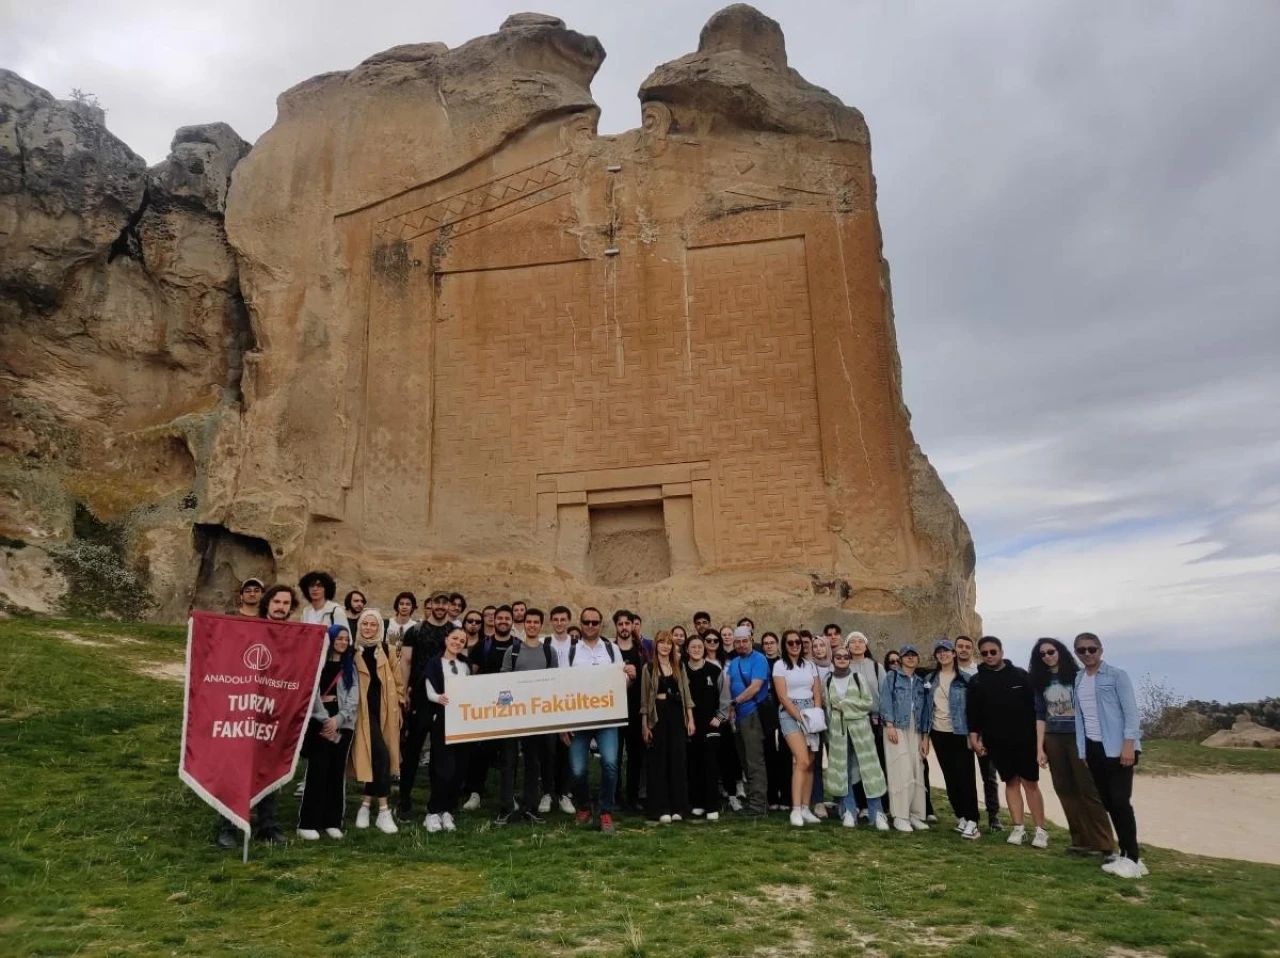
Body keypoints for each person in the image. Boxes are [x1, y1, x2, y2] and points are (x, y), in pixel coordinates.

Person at [214, 584, 296, 848]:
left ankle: (267, 824)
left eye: (286, 603)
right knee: (236, 768)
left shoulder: (296, 636)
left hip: (275, 712)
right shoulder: (249, 629)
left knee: (269, 767)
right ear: (267, 603)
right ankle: (229, 826)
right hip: (245, 708)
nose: (281, 606)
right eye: (276, 601)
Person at [1030, 638, 1115, 857]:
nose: (1048, 656)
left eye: (1051, 651)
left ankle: (1105, 843)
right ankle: (1081, 841)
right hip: (1053, 738)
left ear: (1060, 652)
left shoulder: (1077, 677)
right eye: (1043, 654)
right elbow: (1040, 715)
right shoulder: (1040, 681)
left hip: (1078, 737)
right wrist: (1040, 748)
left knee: (1088, 789)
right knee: (1065, 790)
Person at [1073, 633, 1146, 878]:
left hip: (1117, 747)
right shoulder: (1079, 678)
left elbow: (1131, 713)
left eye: (1091, 649)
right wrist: (1084, 751)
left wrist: (1129, 745)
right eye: (1081, 650)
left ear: (1100, 650)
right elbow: (1081, 719)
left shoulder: (1117, 676)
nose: (1087, 654)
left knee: (1120, 801)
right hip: (1094, 748)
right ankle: (1125, 853)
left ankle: (1133, 857)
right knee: (1108, 802)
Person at [966, 636, 1048, 849]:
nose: (989, 656)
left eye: (993, 652)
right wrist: (974, 738)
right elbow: (974, 714)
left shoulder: (1021, 676)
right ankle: (1018, 827)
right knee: (1010, 783)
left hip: (1025, 740)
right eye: (984, 653)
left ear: (1001, 651)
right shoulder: (977, 681)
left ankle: (1040, 830)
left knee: (1030, 783)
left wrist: (1041, 743)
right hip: (997, 741)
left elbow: (1038, 709)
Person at [564, 607, 625, 834]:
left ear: (601, 625)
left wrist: (629, 677)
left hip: (607, 718)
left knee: (610, 764)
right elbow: (562, 686)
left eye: (595, 622)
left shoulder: (612, 649)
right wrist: (563, 724)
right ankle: (584, 807)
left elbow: (622, 683)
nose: (590, 626)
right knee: (578, 769)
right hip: (578, 720)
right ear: (581, 624)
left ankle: (606, 811)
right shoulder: (571, 652)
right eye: (587, 622)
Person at [495, 609, 558, 826]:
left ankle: (530, 807)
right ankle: (505, 808)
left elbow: (554, 682)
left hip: (537, 716)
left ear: (541, 625)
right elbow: (503, 681)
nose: (531, 625)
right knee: (509, 762)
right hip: (514, 715)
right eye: (528, 622)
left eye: (535, 622)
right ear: (524, 625)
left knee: (533, 762)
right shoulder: (512, 650)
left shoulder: (549, 652)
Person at [297, 623, 359, 840]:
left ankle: (332, 820)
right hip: (319, 721)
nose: (342, 642)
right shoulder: (318, 665)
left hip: (342, 722)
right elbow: (311, 692)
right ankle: (308, 822)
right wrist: (325, 719)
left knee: (336, 771)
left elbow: (353, 698)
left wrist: (339, 718)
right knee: (318, 771)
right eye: (338, 638)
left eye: (345, 639)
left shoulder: (350, 667)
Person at [397, 592, 454, 818]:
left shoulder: (454, 632)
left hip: (446, 699)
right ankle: (404, 800)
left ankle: (437, 803)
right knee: (412, 751)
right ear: (429, 605)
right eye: (436, 602)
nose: (440, 606)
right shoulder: (415, 631)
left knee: (441, 754)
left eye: (444, 602)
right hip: (420, 698)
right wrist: (404, 692)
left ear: (449, 605)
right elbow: (406, 662)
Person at [824, 643, 889, 830]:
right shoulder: (828, 680)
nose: (843, 659)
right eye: (839, 657)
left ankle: (877, 812)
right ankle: (849, 811)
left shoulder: (857, 677)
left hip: (861, 731)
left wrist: (846, 704)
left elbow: (868, 703)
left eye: (846, 656)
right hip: (839, 731)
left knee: (869, 769)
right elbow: (829, 708)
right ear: (833, 659)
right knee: (843, 770)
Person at [351, 609, 400, 834]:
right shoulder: (352, 652)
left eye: (372, 625)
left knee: (378, 757)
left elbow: (398, 682)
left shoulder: (387, 650)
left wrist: (399, 706)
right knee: (380, 754)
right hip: (362, 712)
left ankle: (365, 805)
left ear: (379, 627)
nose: (368, 628)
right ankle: (384, 811)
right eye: (364, 624)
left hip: (384, 711)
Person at [926, 639, 980, 840]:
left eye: (946, 651)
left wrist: (973, 734)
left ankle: (973, 820)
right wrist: (926, 736)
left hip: (960, 733)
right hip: (939, 733)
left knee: (965, 776)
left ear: (954, 654)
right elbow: (927, 708)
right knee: (950, 776)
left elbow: (973, 710)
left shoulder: (965, 679)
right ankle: (961, 816)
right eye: (939, 652)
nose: (943, 654)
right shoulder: (931, 679)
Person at [641, 630, 694, 823]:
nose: (665, 646)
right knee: (659, 762)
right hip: (658, 716)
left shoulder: (679, 665)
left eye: (669, 643)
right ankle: (660, 807)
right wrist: (645, 725)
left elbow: (687, 694)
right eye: (662, 642)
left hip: (677, 715)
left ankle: (679, 807)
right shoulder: (649, 667)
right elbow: (645, 700)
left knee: (677, 761)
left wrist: (690, 719)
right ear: (656, 645)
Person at [773, 630, 824, 827]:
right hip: (790, 712)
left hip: (811, 711)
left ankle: (805, 807)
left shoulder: (810, 665)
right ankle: (795, 809)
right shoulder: (780, 665)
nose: (795, 645)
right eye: (790, 642)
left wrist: (816, 712)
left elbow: (816, 691)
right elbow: (782, 696)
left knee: (810, 760)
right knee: (801, 759)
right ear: (785, 645)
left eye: (798, 642)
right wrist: (799, 717)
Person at [880, 644, 931, 832]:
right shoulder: (892, 677)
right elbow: (885, 701)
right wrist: (890, 725)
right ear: (901, 659)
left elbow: (926, 709)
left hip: (916, 729)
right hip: (897, 727)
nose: (910, 658)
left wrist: (925, 736)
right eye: (906, 655)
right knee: (900, 770)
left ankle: (916, 814)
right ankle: (900, 815)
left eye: (913, 655)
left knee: (917, 769)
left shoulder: (920, 682)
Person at [423, 626, 469, 832]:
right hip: (442, 718)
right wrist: (441, 699)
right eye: (454, 638)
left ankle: (448, 810)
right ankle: (433, 811)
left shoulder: (465, 665)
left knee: (458, 767)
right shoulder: (434, 663)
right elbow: (430, 692)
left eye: (462, 641)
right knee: (443, 767)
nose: (457, 643)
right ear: (446, 639)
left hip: (462, 718)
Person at [955, 635, 1003, 831]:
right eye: (960, 646)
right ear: (955, 649)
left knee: (989, 776)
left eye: (967, 646)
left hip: (982, 731)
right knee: (963, 776)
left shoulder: (980, 672)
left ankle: (994, 816)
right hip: (959, 731)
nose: (963, 650)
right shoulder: (950, 671)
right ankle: (967, 815)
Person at [726, 625, 770, 816]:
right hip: (737, 717)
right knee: (744, 761)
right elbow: (727, 686)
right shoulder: (734, 662)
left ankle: (759, 806)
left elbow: (755, 687)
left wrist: (734, 702)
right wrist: (728, 707)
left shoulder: (759, 659)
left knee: (755, 761)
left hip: (752, 714)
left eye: (745, 641)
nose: (742, 645)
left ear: (751, 640)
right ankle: (754, 800)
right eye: (738, 642)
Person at [683, 634, 728, 821]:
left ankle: (712, 805)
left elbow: (725, 696)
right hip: (690, 725)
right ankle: (698, 804)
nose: (696, 650)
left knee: (710, 764)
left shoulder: (714, 670)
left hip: (710, 724)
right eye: (692, 647)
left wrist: (720, 716)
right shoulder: (682, 671)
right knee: (693, 764)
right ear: (687, 650)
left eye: (699, 647)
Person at [844, 632, 886, 820]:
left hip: (873, 720)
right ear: (847, 646)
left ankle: (876, 806)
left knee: (873, 764)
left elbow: (884, 694)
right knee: (853, 764)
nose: (857, 644)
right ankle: (858, 804)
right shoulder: (843, 666)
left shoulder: (877, 667)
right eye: (853, 641)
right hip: (851, 720)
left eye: (861, 641)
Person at [543, 605, 577, 816]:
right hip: (548, 702)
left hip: (570, 701)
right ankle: (547, 792)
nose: (559, 623)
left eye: (563, 619)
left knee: (567, 749)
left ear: (568, 620)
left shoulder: (578, 646)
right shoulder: (544, 643)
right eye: (555, 619)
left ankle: (564, 793)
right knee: (548, 750)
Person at [613, 609, 648, 813]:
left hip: (636, 711)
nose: (625, 627)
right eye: (621, 624)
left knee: (635, 757)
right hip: (614, 711)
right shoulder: (610, 651)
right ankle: (615, 796)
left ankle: (633, 797)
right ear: (616, 627)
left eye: (628, 623)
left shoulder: (641, 651)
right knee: (614, 757)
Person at [759, 632, 790, 810]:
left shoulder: (783, 663)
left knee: (785, 755)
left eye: (772, 642)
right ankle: (772, 797)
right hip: (766, 714)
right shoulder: (761, 663)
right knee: (769, 754)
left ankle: (786, 797)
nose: (769, 646)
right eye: (766, 643)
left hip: (784, 711)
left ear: (777, 644)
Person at [808, 634, 834, 819]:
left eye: (821, 646)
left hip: (834, 719)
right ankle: (817, 800)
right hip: (815, 717)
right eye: (815, 646)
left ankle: (840, 799)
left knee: (836, 758)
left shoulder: (836, 665)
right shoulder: (808, 667)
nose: (818, 649)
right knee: (815, 760)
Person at [384, 591, 418, 658]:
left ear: (412, 607)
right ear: (397, 606)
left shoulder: (416, 627)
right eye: (401, 604)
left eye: (408, 604)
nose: (404, 607)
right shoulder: (386, 624)